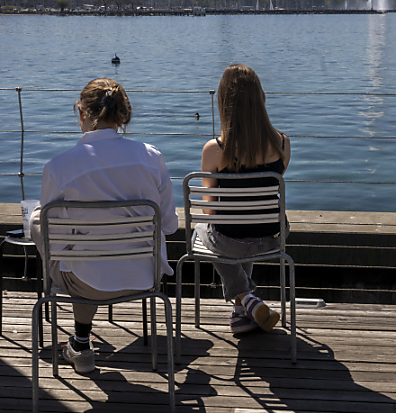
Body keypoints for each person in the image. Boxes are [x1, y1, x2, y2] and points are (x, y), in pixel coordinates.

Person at [31, 78, 178, 374]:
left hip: (85, 282)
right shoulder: (152, 157)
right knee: (84, 251)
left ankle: (82, 344)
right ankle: (81, 342)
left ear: (82, 114)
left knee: (39, 218)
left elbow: (55, 240)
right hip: (145, 277)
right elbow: (171, 225)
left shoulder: (59, 166)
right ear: (123, 116)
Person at [196, 64, 289, 335]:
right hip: (273, 236)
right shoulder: (283, 144)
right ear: (260, 98)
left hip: (233, 240)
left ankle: (245, 298)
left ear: (224, 102)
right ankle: (241, 314)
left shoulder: (215, 150)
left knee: (205, 231)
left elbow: (209, 209)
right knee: (239, 230)